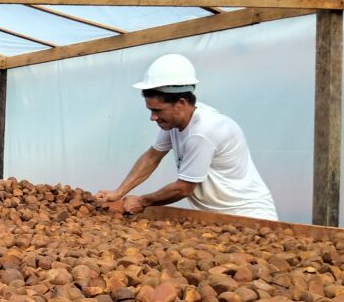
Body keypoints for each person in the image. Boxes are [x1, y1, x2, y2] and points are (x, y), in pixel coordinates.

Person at [95, 53, 277, 220]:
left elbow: (184, 188)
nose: (153, 117)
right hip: (214, 216)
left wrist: (142, 201)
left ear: (181, 104)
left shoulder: (204, 131)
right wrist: (119, 193)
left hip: (248, 215)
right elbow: (152, 157)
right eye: (150, 110)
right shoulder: (174, 122)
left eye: (157, 110)